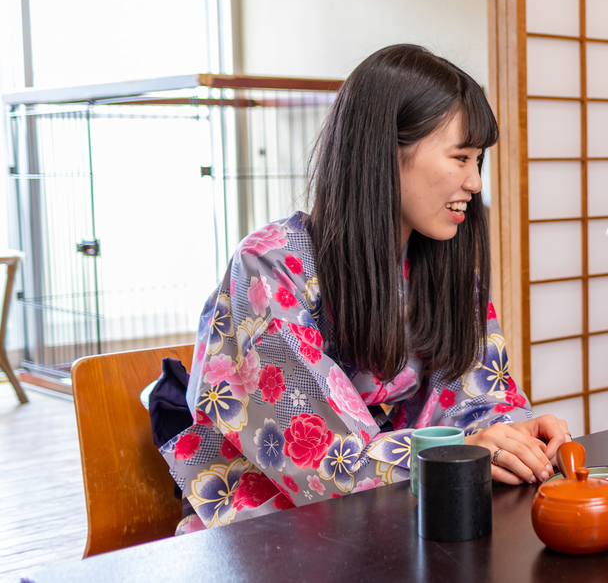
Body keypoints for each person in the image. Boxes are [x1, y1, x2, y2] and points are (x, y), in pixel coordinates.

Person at [161, 44, 570, 531]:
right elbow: (318, 461)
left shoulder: (445, 262)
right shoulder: (270, 267)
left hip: (410, 505)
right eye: (461, 158)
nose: (475, 182)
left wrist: (514, 434)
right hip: (278, 517)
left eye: (478, 161)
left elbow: (476, 394)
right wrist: (460, 452)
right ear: (386, 153)